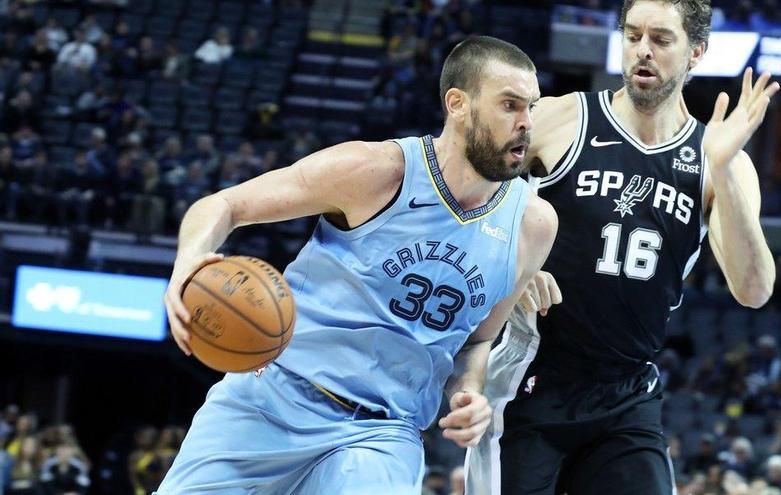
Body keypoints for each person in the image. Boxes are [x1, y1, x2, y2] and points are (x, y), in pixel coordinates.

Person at [158, 36, 557, 494]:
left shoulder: (533, 225)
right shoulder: (375, 171)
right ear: (457, 104)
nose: (526, 123)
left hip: (381, 434)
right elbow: (224, 205)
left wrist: (469, 392)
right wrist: (190, 260)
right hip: (271, 398)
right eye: (510, 105)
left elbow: (477, 341)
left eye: (532, 107)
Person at [465, 1, 780, 494]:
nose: (642, 51)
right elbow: (464, 201)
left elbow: (754, 290)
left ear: (697, 51)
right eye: (632, 36)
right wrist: (512, 261)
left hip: (627, 394)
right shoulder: (560, 119)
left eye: (660, 38)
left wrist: (720, 166)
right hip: (530, 383)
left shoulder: (723, 162)